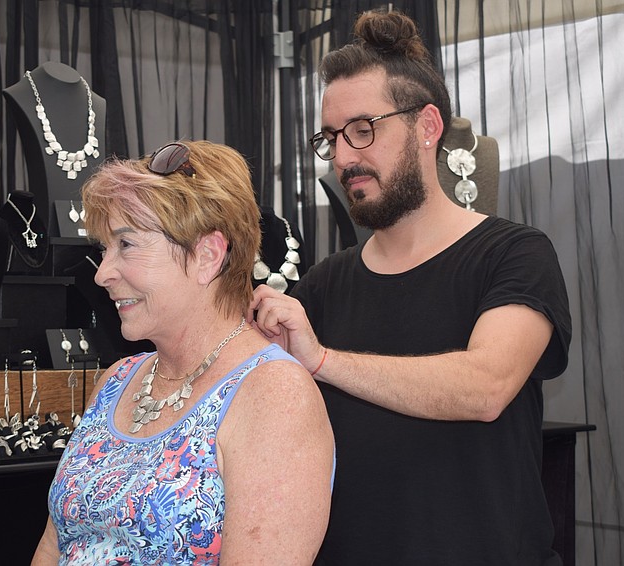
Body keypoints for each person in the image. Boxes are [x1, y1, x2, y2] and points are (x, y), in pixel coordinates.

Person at [250, 9, 571, 566]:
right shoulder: (326, 284)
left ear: (426, 127)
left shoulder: (514, 255)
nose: (345, 157)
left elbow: (485, 388)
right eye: (331, 139)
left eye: (363, 130)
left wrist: (322, 359)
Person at [31, 140, 335, 565]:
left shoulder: (274, 395)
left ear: (207, 255)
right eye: (105, 249)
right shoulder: (118, 379)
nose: (102, 274)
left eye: (127, 245)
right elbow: (54, 545)